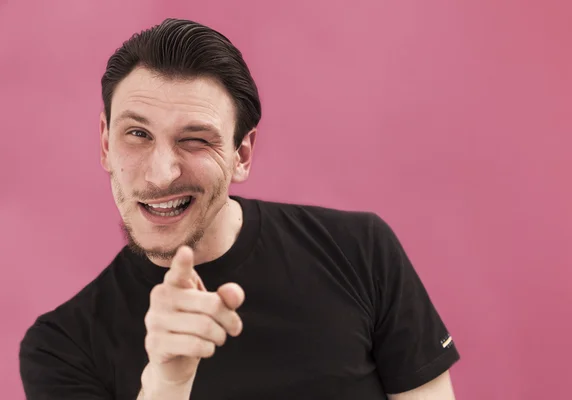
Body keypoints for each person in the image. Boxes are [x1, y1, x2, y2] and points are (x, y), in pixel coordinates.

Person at [19, 18, 460, 400]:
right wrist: (167, 382)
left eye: (195, 139)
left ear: (242, 154)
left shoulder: (361, 250)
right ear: (104, 142)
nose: (160, 174)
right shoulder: (61, 347)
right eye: (136, 134)